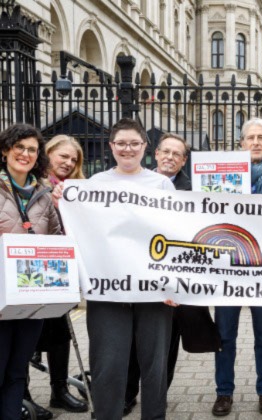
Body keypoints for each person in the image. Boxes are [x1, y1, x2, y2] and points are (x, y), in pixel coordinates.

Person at [52, 118, 177, 419]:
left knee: (154, 365)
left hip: (153, 290)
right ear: (111, 146)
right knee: (108, 365)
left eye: (134, 143)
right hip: (108, 290)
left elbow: (173, 235)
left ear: (145, 147)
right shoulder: (95, 185)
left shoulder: (161, 183)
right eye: (121, 143)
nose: (127, 149)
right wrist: (63, 203)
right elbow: (82, 232)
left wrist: (175, 284)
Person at [211, 118, 262, 417]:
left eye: (261, 138)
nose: (255, 142)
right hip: (228, 268)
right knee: (224, 336)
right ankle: (224, 392)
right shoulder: (223, 175)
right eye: (249, 137)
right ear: (240, 143)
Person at [124, 133, 192, 415]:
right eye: (166, 151)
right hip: (136, 275)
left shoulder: (193, 190)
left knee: (166, 344)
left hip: (172, 280)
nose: (170, 158)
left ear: (184, 160)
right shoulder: (134, 182)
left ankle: (158, 395)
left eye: (177, 154)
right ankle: (127, 394)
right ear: (156, 154)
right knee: (131, 341)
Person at [23, 135, 88, 420]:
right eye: (63, 156)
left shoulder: (76, 189)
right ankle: (21, 396)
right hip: (31, 269)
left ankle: (58, 390)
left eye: (74, 159)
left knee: (60, 332)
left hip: (61, 270)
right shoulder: (31, 186)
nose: (68, 163)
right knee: (24, 335)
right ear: (48, 154)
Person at [0, 124, 62, 419]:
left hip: (32, 298)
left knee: (16, 372)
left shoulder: (44, 195)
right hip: (0, 298)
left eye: (32, 150)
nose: (25, 154)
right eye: (19, 147)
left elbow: (59, 239)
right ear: (5, 150)